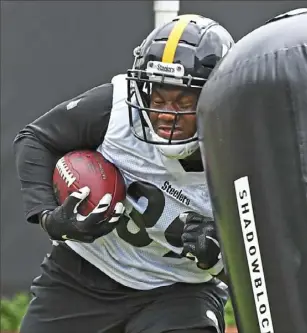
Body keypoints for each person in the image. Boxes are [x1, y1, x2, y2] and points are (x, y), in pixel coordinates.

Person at [13, 14, 235, 333]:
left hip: (181, 291)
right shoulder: (116, 111)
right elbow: (37, 138)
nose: (164, 115)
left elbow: (272, 269)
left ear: (216, 99)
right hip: (84, 275)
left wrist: (224, 253)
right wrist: (49, 216)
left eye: (183, 101)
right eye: (157, 98)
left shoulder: (245, 150)